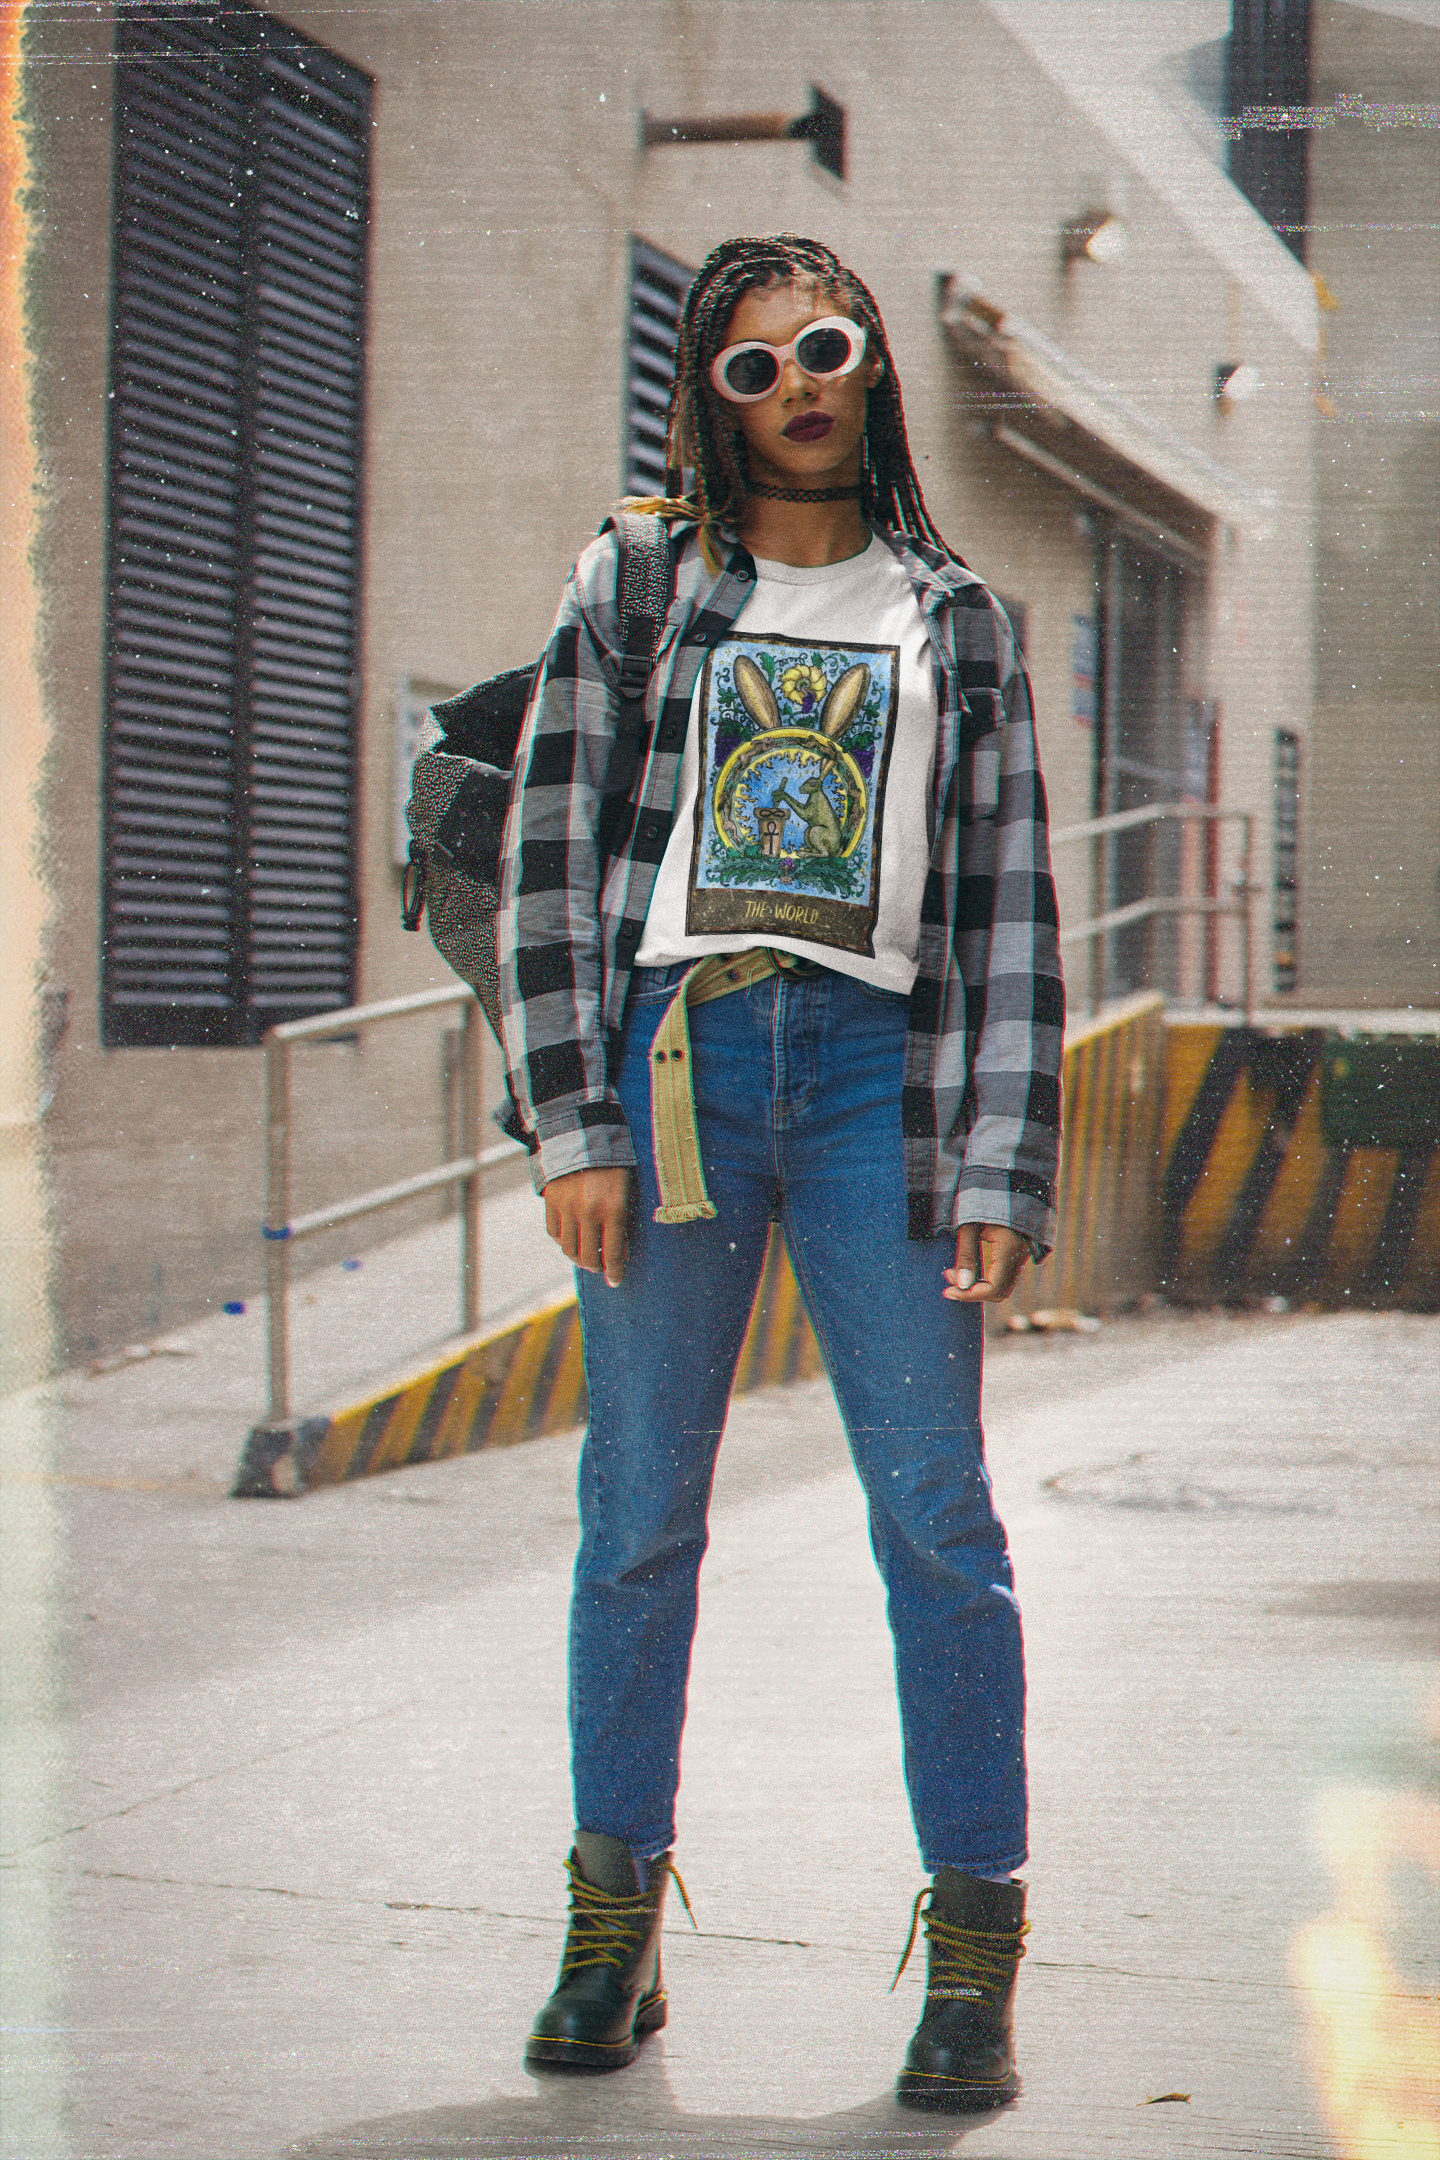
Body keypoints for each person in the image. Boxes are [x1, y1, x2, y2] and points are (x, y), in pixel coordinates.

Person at [494, 234, 1063, 2111]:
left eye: (822, 348)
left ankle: (974, 1955)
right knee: (641, 1512)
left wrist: (1001, 1158)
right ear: (709, 398)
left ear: (874, 363)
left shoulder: (959, 621)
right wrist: (572, 1124)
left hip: (877, 1092)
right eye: (751, 367)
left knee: (937, 1523)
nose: (797, 386)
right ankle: (610, 1922)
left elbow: (1005, 918)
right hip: (677, 1077)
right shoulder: (641, 582)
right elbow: (552, 868)